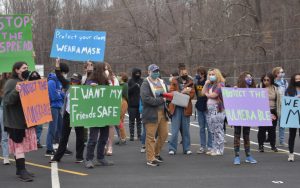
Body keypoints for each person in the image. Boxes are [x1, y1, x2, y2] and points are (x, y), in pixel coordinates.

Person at [3, 62, 37, 182]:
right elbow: (7, 100)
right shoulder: (11, 82)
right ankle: (21, 170)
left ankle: (20, 169)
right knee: (19, 146)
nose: (26, 69)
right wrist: (16, 91)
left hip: (24, 120)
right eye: (24, 68)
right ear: (17, 70)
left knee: (21, 146)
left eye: (27, 68)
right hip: (14, 122)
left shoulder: (26, 81)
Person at [50, 73, 85, 163]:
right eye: (72, 80)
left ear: (80, 81)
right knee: (64, 136)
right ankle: (57, 157)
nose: (73, 82)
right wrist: (57, 68)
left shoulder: (84, 88)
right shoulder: (68, 86)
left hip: (79, 115)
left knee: (80, 136)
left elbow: (90, 79)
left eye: (76, 80)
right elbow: (60, 77)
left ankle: (79, 157)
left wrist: (89, 69)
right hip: (68, 114)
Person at [85, 63, 114, 168]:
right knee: (93, 138)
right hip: (95, 113)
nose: (106, 71)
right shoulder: (91, 79)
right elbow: (85, 88)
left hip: (104, 113)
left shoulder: (106, 80)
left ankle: (101, 157)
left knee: (104, 137)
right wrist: (91, 86)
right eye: (104, 69)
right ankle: (89, 159)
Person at [141, 64, 169, 166]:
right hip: (151, 113)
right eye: (154, 71)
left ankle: (156, 154)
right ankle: (150, 158)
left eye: (157, 71)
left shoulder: (161, 82)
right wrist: (161, 100)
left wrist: (169, 97)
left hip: (163, 112)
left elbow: (166, 94)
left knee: (164, 134)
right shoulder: (145, 83)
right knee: (151, 137)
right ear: (149, 72)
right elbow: (146, 99)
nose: (156, 73)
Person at [168, 65, 195, 155]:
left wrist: (186, 94)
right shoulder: (174, 81)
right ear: (179, 72)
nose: (185, 74)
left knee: (186, 130)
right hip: (176, 107)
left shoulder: (191, 81)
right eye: (183, 73)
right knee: (174, 130)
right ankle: (172, 148)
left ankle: (186, 148)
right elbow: (171, 92)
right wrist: (181, 93)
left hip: (186, 107)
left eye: (186, 73)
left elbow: (192, 94)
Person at [233, 72, 257, 165]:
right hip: (238, 115)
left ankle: (248, 156)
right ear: (243, 78)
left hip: (248, 115)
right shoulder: (237, 89)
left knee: (246, 135)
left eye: (251, 77)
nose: (250, 79)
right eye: (247, 77)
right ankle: (237, 156)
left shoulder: (253, 89)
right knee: (237, 135)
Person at [45, 62, 69, 156]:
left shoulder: (59, 81)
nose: (64, 75)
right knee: (52, 128)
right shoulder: (51, 81)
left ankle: (60, 147)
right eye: (64, 73)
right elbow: (53, 95)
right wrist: (61, 95)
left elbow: (62, 93)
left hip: (59, 107)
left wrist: (61, 94)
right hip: (53, 107)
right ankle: (49, 149)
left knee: (60, 128)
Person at [202, 68, 225, 156]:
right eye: (210, 74)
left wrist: (208, 95)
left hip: (217, 109)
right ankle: (214, 148)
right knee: (212, 130)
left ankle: (220, 149)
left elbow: (213, 95)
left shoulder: (220, 84)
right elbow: (203, 93)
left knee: (218, 130)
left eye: (213, 74)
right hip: (210, 109)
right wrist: (205, 84)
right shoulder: (210, 85)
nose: (211, 76)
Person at [257, 73, 280, 152]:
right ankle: (261, 145)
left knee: (272, 130)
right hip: (262, 111)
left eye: (268, 80)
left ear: (271, 80)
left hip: (273, 110)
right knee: (262, 129)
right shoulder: (259, 87)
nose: (266, 81)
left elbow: (279, 99)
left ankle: (273, 145)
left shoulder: (275, 88)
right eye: (264, 80)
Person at [194, 67, 211, 154]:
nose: (197, 75)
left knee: (209, 128)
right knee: (201, 128)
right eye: (197, 73)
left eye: (199, 73)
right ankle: (202, 146)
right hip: (199, 106)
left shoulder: (207, 83)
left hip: (207, 107)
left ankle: (210, 146)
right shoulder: (196, 82)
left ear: (203, 74)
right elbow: (196, 93)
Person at [105, 62, 119, 156]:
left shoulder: (114, 79)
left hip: (110, 104)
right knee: (100, 126)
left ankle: (110, 146)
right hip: (99, 105)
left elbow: (117, 92)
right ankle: (103, 145)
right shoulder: (97, 78)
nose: (105, 71)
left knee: (111, 126)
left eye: (106, 69)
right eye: (103, 69)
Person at [285, 73, 300, 161]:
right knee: (292, 134)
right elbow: (287, 102)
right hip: (293, 115)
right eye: (297, 79)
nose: (298, 81)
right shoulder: (289, 90)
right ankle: (291, 154)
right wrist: (296, 97)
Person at [273, 67, 288, 147]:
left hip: (283, 105)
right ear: (276, 73)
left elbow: (288, 93)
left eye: (283, 72)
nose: (282, 73)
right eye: (280, 72)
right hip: (274, 105)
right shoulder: (273, 82)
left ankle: (281, 141)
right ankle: (271, 139)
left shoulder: (285, 82)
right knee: (273, 124)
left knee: (282, 124)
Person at [28, 71, 44, 149]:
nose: (34, 77)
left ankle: (37, 141)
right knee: (31, 127)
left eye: (36, 76)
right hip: (30, 108)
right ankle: (31, 141)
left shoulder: (41, 86)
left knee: (39, 127)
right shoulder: (27, 85)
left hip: (39, 108)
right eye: (33, 76)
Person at [128, 68, 143, 141]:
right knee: (131, 121)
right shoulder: (130, 81)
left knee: (139, 121)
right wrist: (134, 86)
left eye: (139, 73)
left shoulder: (142, 81)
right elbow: (128, 91)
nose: (138, 74)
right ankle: (131, 135)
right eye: (136, 73)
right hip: (131, 105)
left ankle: (139, 135)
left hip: (140, 104)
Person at [115, 72, 128, 145]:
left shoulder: (124, 85)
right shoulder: (119, 84)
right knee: (119, 121)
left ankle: (123, 137)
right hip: (118, 101)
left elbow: (125, 95)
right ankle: (121, 138)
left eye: (119, 75)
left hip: (122, 102)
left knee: (118, 120)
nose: (118, 77)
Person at [0, 73, 11, 165]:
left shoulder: (16, 81)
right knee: (4, 134)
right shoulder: (1, 81)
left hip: (13, 111)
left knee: (15, 134)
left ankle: (17, 155)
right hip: (3, 109)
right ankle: (6, 156)